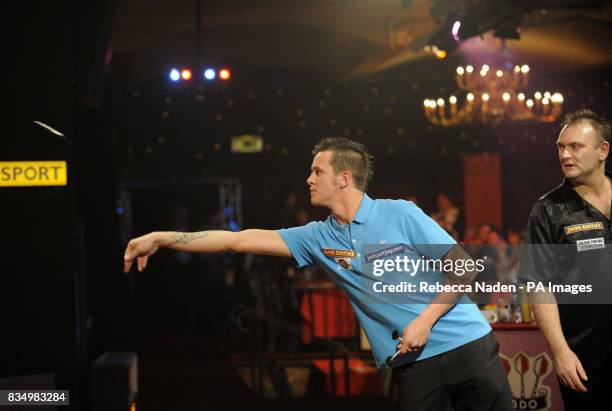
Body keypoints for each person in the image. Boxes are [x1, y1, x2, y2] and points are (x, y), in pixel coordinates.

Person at [124, 137, 511, 410]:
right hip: (412, 365)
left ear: (343, 177)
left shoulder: (400, 213)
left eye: (316, 171)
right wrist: (161, 237)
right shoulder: (316, 236)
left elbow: (464, 269)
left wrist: (425, 320)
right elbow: (235, 241)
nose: (308, 179)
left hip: (467, 345)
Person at [521, 109, 611, 410]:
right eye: (561, 147)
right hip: (586, 360)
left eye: (575, 146)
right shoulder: (548, 210)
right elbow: (538, 286)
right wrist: (560, 352)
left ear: (603, 151)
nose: (565, 154)